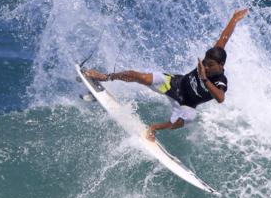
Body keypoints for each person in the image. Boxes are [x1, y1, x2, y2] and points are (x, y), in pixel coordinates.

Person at [85, 8, 249, 141]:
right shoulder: (213, 57)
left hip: (186, 104)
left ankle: (154, 128)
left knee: (183, 121)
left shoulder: (220, 80)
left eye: (210, 65)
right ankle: (105, 77)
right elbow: (224, 38)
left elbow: (220, 98)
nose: (205, 66)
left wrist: (204, 78)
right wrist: (234, 19)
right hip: (174, 83)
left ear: (221, 66)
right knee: (139, 76)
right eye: (205, 62)